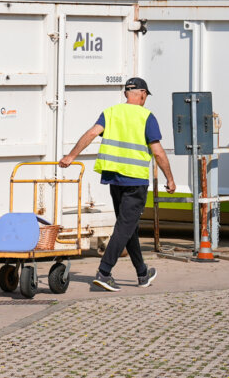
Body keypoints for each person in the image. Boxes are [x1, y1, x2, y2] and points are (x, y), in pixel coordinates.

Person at [59, 77, 175, 291]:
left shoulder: (110, 112)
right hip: (135, 180)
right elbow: (157, 151)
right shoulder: (147, 116)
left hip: (114, 179)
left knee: (128, 226)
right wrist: (170, 178)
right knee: (124, 226)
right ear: (141, 94)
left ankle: (142, 273)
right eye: (146, 95)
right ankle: (104, 272)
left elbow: (92, 133)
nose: (145, 99)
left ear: (125, 94)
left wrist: (71, 156)